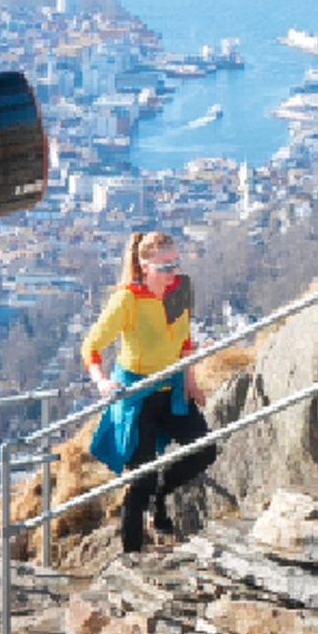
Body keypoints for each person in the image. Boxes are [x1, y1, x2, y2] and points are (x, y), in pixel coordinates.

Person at [81, 229, 214, 554]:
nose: (172, 273)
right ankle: (130, 557)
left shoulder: (180, 288)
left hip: (171, 388)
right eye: (164, 267)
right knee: (141, 479)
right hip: (136, 395)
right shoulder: (127, 299)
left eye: (175, 264)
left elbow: (184, 340)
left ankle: (161, 494)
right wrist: (102, 381)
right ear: (144, 267)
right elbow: (91, 346)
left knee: (204, 450)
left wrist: (190, 381)